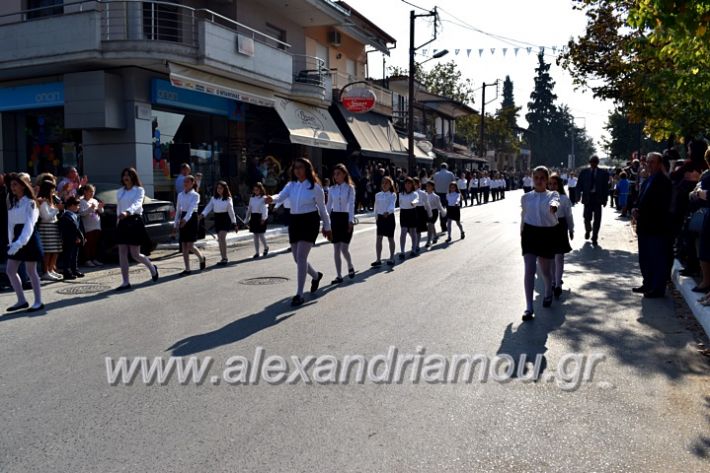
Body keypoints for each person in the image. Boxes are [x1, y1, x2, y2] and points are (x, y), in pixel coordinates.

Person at [265, 157, 331, 307]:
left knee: (301, 257)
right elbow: (281, 196)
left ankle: (299, 294)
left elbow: (322, 209)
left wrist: (328, 227)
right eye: (295, 168)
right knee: (296, 258)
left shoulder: (315, 187)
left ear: (307, 169)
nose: (297, 170)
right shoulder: (291, 185)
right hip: (294, 221)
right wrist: (271, 198)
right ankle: (316, 276)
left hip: (309, 221)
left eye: (300, 167)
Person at [520, 166, 560, 321]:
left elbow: (555, 204)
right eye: (536, 177)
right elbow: (524, 215)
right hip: (529, 234)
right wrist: (521, 231)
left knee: (545, 271)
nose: (538, 181)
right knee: (529, 269)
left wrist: (553, 208)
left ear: (547, 179)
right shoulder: (526, 197)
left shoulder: (553, 195)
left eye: (542, 178)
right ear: (532, 178)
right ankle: (529, 307)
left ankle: (548, 291)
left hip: (546, 234)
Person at [631, 152, 673, 298]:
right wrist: (636, 209)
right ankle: (647, 283)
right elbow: (642, 199)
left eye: (652, 162)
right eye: (647, 162)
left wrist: (643, 212)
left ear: (659, 164)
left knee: (656, 258)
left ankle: (657, 288)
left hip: (656, 226)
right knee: (645, 257)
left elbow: (661, 206)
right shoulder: (648, 180)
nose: (649, 165)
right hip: (644, 226)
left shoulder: (663, 181)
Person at [114, 168, 159, 291]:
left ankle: (152, 268)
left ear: (133, 177)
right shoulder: (120, 191)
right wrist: (118, 221)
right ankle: (125, 282)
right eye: (124, 175)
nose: (126, 177)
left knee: (135, 254)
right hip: (123, 221)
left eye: (128, 175)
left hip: (134, 221)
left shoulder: (139, 190)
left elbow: (138, 204)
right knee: (122, 252)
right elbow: (119, 207)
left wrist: (127, 212)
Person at [5, 174, 44, 312]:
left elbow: (29, 226)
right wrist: (11, 242)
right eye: (11, 185)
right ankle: (21, 300)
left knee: (31, 271)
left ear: (22, 185)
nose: (12, 187)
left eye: (15, 184)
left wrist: (18, 243)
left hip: (28, 238)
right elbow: (10, 225)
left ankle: (38, 301)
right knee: (10, 270)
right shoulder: (13, 202)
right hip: (17, 238)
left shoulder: (31, 203)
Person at [327, 163, 356, 284]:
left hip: (345, 218)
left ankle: (350, 265)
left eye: (338, 173)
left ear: (344, 174)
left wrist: (350, 220)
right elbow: (328, 206)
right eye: (335, 174)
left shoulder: (350, 188)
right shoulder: (331, 189)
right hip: (335, 218)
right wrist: (325, 222)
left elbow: (351, 205)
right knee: (336, 249)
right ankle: (339, 276)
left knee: (344, 249)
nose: (336, 176)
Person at [548, 174, 574, 299]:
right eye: (550, 184)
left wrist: (571, 229)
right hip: (548, 228)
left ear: (559, 185)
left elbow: (569, 215)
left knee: (559, 257)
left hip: (560, 227)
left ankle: (558, 284)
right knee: (551, 257)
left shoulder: (564, 199)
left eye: (555, 184)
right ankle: (553, 281)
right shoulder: (543, 198)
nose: (552, 186)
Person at [201, 180, 238, 265]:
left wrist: (234, 223)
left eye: (221, 188)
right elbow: (208, 207)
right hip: (217, 218)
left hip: (225, 218)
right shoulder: (214, 198)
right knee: (219, 239)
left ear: (225, 189)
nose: (219, 190)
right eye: (218, 188)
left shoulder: (228, 199)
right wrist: (202, 215)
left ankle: (225, 258)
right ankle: (223, 258)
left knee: (222, 236)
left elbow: (231, 212)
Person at [174, 175, 205, 275]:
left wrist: (185, 220)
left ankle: (201, 257)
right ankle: (187, 268)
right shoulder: (180, 195)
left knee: (190, 245)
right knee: (184, 245)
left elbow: (191, 209)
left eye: (187, 182)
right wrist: (175, 224)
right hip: (183, 217)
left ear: (192, 183)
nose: (185, 183)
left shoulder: (195, 195)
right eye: (184, 182)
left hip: (191, 219)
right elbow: (178, 210)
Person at [577, 155, 610, 246]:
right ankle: (588, 230)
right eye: (592, 162)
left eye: (595, 162)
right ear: (589, 162)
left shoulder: (603, 173)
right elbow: (579, 185)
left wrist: (605, 199)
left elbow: (605, 188)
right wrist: (577, 195)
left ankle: (595, 236)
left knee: (597, 219)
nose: (593, 164)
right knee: (586, 218)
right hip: (588, 198)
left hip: (598, 198)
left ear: (597, 163)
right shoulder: (584, 172)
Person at [37, 180, 63, 281]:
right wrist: (57, 209)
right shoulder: (43, 201)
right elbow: (46, 217)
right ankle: (45, 271)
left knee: (55, 251)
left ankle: (51, 269)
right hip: (46, 227)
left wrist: (56, 208)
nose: (54, 191)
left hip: (53, 226)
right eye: (52, 189)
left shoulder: (50, 201)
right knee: (48, 251)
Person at [371, 176, 397, 267]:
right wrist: (376, 218)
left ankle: (392, 258)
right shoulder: (377, 195)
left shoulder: (393, 194)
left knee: (390, 238)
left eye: (387, 183)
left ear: (390, 185)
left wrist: (388, 211)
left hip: (389, 218)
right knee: (379, 238)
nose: (384, 184)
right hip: (381, 218)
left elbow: (392, 205)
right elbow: (376, 207)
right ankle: (378, 259)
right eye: (383, 183)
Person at [58, 196, 85, 280]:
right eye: (77, 205)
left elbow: (79, 227)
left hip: (76, 239)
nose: (78, 207)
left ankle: (74, 270)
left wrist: (82, 237)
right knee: (68, 256)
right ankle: (67, 272)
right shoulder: (66, 216)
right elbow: (69, 230)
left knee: (75, 256)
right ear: (71, 205)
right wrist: (75, 237)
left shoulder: (75, 215)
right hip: (69, 239)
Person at [79, 184, 104, 267]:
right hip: (88, 227)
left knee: (95, 244)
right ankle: (87, 260)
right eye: (90, 191)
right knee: (88, 244)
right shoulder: (81, 201)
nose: (92, 193)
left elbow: (101, 212)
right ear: (85, 192)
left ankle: (94, 259)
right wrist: (90, 209)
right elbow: (81, 213)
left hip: (96, 225)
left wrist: (100, 207)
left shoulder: (94, 200)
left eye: (93, 191)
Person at [398, 177, 419, 260]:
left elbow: (416, 200)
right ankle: (402, 251)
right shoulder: (400, 194)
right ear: (404, 184)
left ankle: (413, 249)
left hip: (412, 213)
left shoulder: (415, 193)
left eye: (409, 183)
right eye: (406, 183)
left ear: (412, 185)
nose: (408, 185)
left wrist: (413, 203)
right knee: (403, 232)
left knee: (413, 232)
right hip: (403, 213)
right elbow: (400, 203)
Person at [246, 182, 269, 259]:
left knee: (261, 234)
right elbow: (249, 209)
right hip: (254, 217)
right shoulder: (252, 198)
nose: (256, 191)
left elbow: (265, 209)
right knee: (255, 235)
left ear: (261, 190)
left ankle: (266, 247)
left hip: (261, 217)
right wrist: (246, 219)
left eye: (257, 190)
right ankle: (257, 252)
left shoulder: (264, 198)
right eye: (254, 190)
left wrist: (263, 218)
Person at [433, 163, 456, 232]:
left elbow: (433, 184)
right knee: (449, 209)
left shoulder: (436, 174)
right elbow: (454, 183)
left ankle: (443, 225)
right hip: (448, 194)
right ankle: (445, 221)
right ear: (447, 167)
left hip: (438, 194)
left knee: (441, 210)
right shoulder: (450, 174)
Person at [413, 177, 432, 255]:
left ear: (418, 184)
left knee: (418, 230)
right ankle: (415, 243)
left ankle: (416, 245)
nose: (413, 186)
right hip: (412, 211)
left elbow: (427, 204)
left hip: (420, 211)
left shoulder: (423, 193)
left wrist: (430, 213)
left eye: (415, 184)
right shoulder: (409, 193)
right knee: (412, 230)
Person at [424, 181, 446, 247]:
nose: (427, 187)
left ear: (432, 187)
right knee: (431, 225)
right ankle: (435, 236)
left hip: (434, 212)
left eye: (429, 186)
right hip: (427, 212)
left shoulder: (436, 196)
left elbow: (439, 206)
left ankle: (428, 241)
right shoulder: (424, 195)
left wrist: (443, 213)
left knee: (430, 226)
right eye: (426, 186)